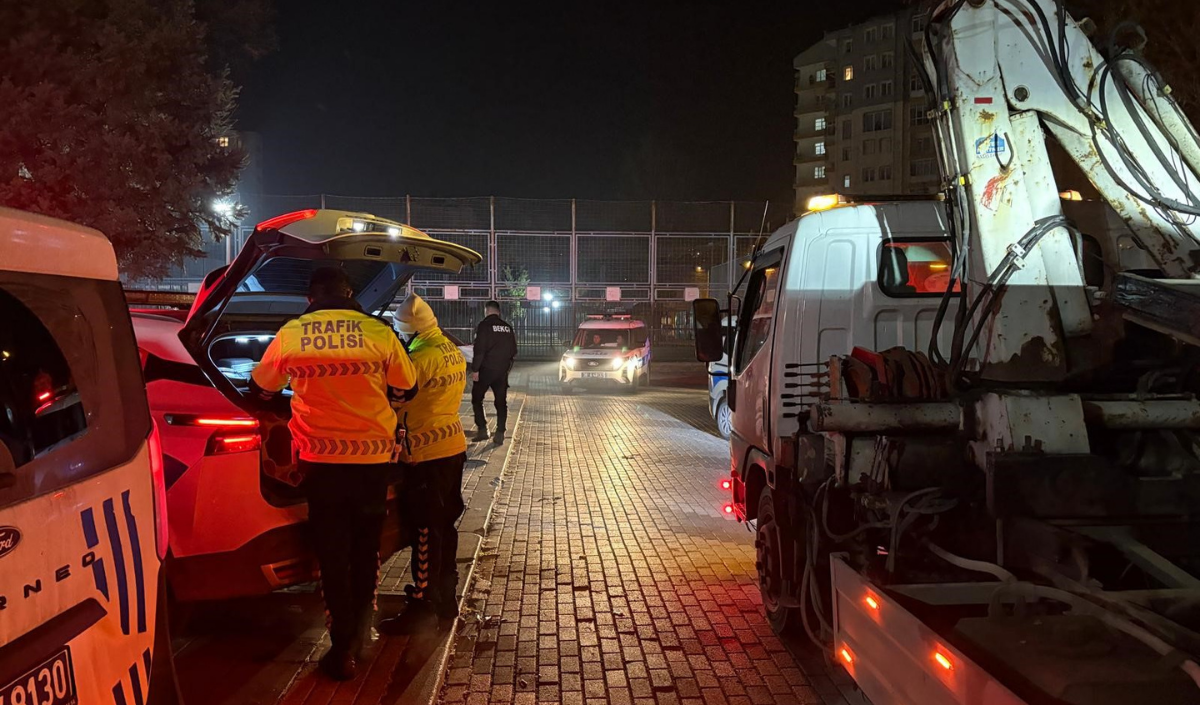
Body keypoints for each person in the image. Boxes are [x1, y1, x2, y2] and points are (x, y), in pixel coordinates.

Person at [250, 267, 415, 681]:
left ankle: (342, 648)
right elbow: (406, 388)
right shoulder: (378, 333)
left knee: (332, 553)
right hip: (372, 461)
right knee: (366, 548)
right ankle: (363, 632)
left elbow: (263, 390)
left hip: (321, 462)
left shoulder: (293, 334)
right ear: (349, 293)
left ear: (310, 299)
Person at [378, 294, 468, 634]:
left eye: (401, 330)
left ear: (410, 329)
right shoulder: (449, 349)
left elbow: (394, 400)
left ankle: (423, 603)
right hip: (452, 446)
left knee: (425, 531)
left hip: (425, 454)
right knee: (445, 525)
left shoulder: (418, 358)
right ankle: (446, 597)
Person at [469, 300, 517, 445]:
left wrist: (475, 369)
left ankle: (483, 429)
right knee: (501, 402)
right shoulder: (507, 327)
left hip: (485, 370)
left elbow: (479, 350)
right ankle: (500, 433)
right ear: (498, 311)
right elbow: (513, 351)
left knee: (477, 399)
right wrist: (506, 368)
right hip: (501, 371)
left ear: (486, 311)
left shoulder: (484, 326)